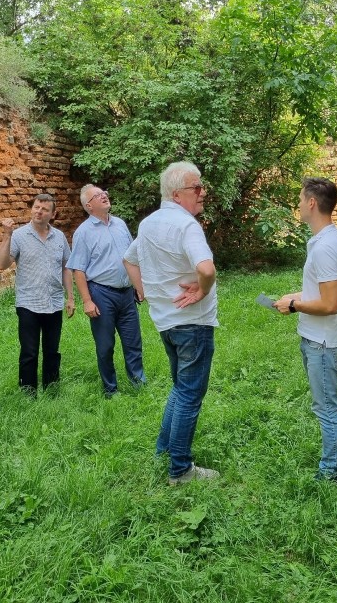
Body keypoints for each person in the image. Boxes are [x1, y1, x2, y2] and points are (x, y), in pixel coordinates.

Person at [123, 161, 219, 486]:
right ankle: (180, 469)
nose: (203, 192)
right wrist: (203, 290)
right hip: (193, 322)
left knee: (180, 388)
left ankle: (164, 447)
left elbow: (129, 258)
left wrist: (145, 290)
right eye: (197, 188)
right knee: (190, 393)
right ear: (178, 194)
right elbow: (206, 269)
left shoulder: (149, 223)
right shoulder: (186, 225)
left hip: (166, 322)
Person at [276, 178, 337, 482]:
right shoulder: (324, 241)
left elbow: (330, 303)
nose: (299, 204)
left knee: (326, 407)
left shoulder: (327, 247)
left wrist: (294, 306)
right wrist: (296, 297)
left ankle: (330, 471)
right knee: (330, 399)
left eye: (301, 199)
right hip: (318, 337)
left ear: (313, 203)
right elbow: (320, 292)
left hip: (323, 342)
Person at [67, 185, 146, 398]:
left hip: (126, 293)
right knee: (105, 345)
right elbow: (78, 270)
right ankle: (111, 389)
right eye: (98, 195)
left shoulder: (120, 224)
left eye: (105, 193)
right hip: (101, 294)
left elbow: (132, 258)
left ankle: (138, 383)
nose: (104, 196)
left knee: (133, 342)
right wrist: (87, 300)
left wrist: (139, 286)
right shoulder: (83, 232)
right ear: (89, 205)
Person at [0, 194, 75, 396]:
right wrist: (7, 235)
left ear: (52, 214)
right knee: (29, 352)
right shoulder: (19, 236)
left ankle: (52, 389)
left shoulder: (59, 237)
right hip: (28, 303)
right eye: (36, 207)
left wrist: (71, 298)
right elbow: (2, 264)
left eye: (44, 209)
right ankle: (27, 392)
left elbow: (66, 267)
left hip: (54, 302)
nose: (39, 211)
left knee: (52, 350)